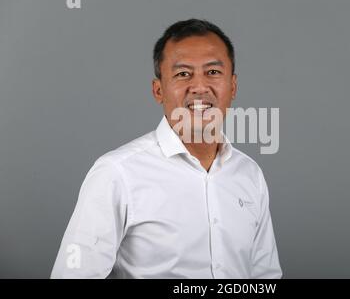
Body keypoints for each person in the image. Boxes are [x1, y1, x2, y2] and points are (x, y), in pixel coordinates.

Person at [51, 19, 282, 278]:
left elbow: (265, 276)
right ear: (158, 90)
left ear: (233, 86)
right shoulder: (117, 174)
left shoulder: (249, 174)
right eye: (183, 74)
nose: (199, 87)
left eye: (213, 72)